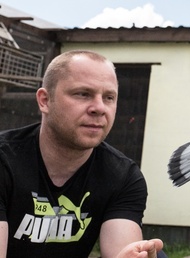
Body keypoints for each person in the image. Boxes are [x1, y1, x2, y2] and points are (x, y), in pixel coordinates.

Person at [0, 50, 165, 258]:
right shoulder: (5, 159)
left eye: (109, 97)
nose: (99, 108)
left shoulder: (122, 176)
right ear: (44, 100)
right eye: (83, 94)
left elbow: (122, 252)